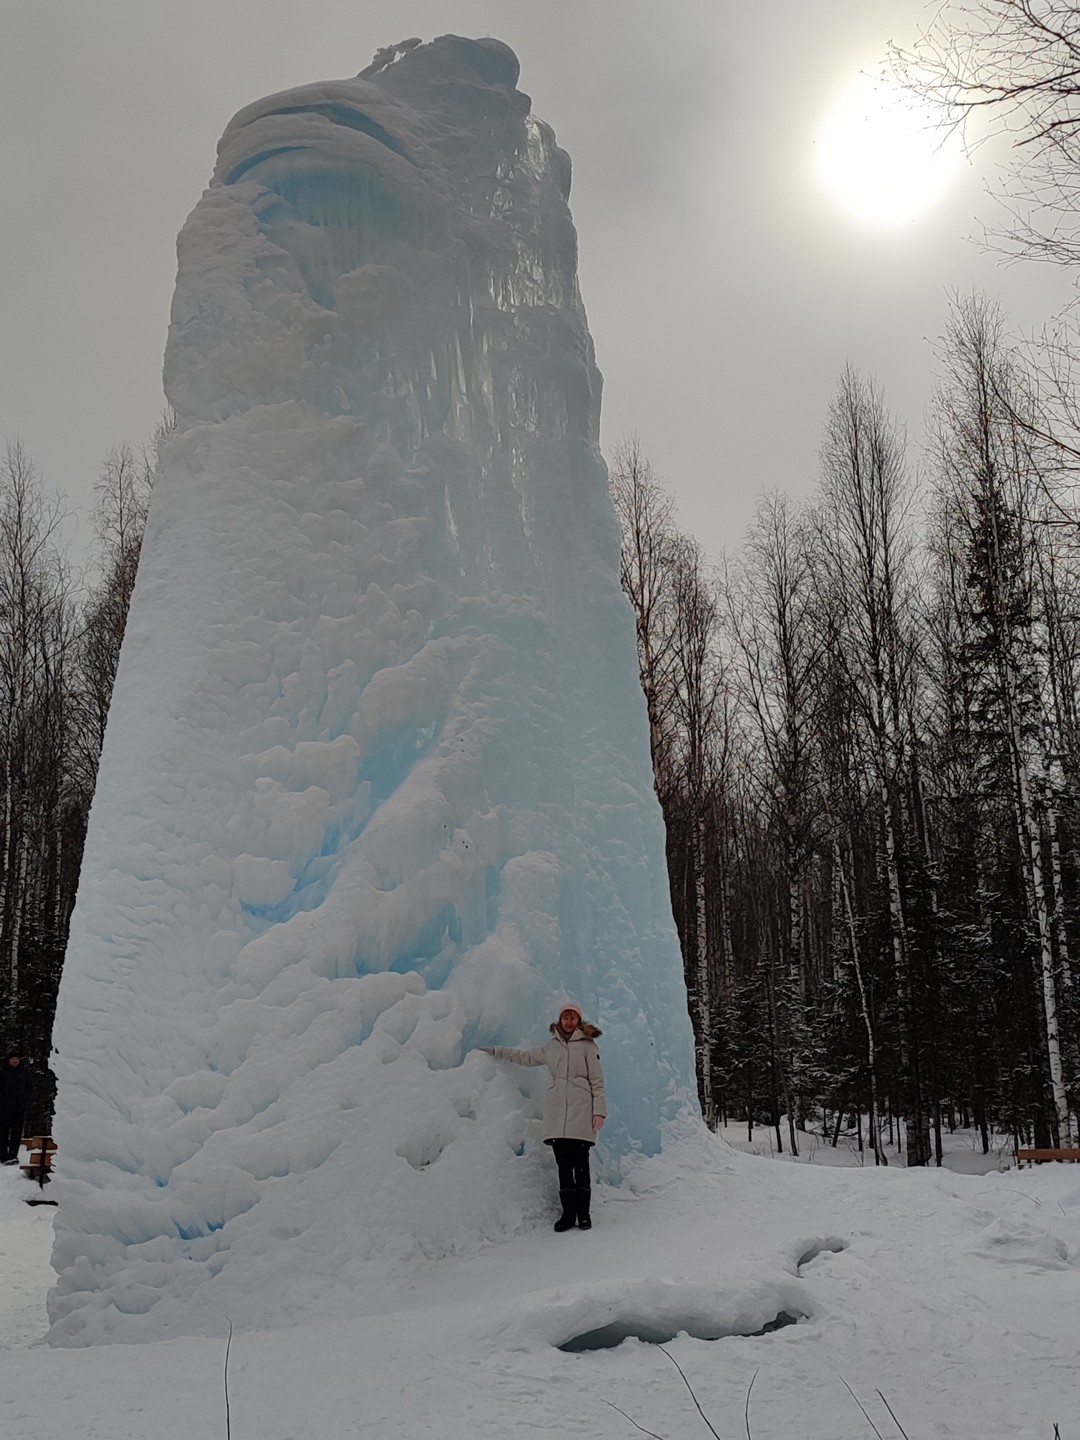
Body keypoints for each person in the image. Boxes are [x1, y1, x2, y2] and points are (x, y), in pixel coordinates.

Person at [479, 1001, 606, 1232]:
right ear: (560, 1021)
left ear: (579, 1021)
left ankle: (583, 1214)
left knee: (581, 1166)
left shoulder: (588, 1046)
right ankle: (568, 1214)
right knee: (564, 1168)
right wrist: (497, 1051)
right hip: (557, 1114)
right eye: (565, 1017)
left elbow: (597, 1083)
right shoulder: (551, 1047)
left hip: (580, 1113)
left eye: (573, 1017)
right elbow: (525, 1058)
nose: (569, 1021)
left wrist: (599, 1112)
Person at [0, 1051, 33, 1166]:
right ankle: (3, 1156)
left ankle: (13, 1156)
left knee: (16, 1133)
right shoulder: (3, 1073)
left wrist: (24, 1101)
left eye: (17, 1059)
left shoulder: (24, 1073)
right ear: (8, 1060)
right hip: (4, 1110)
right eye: (13, 1059)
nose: (15, 1061)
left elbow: (30, 1088)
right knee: (2, 1133)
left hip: (19, 1109)